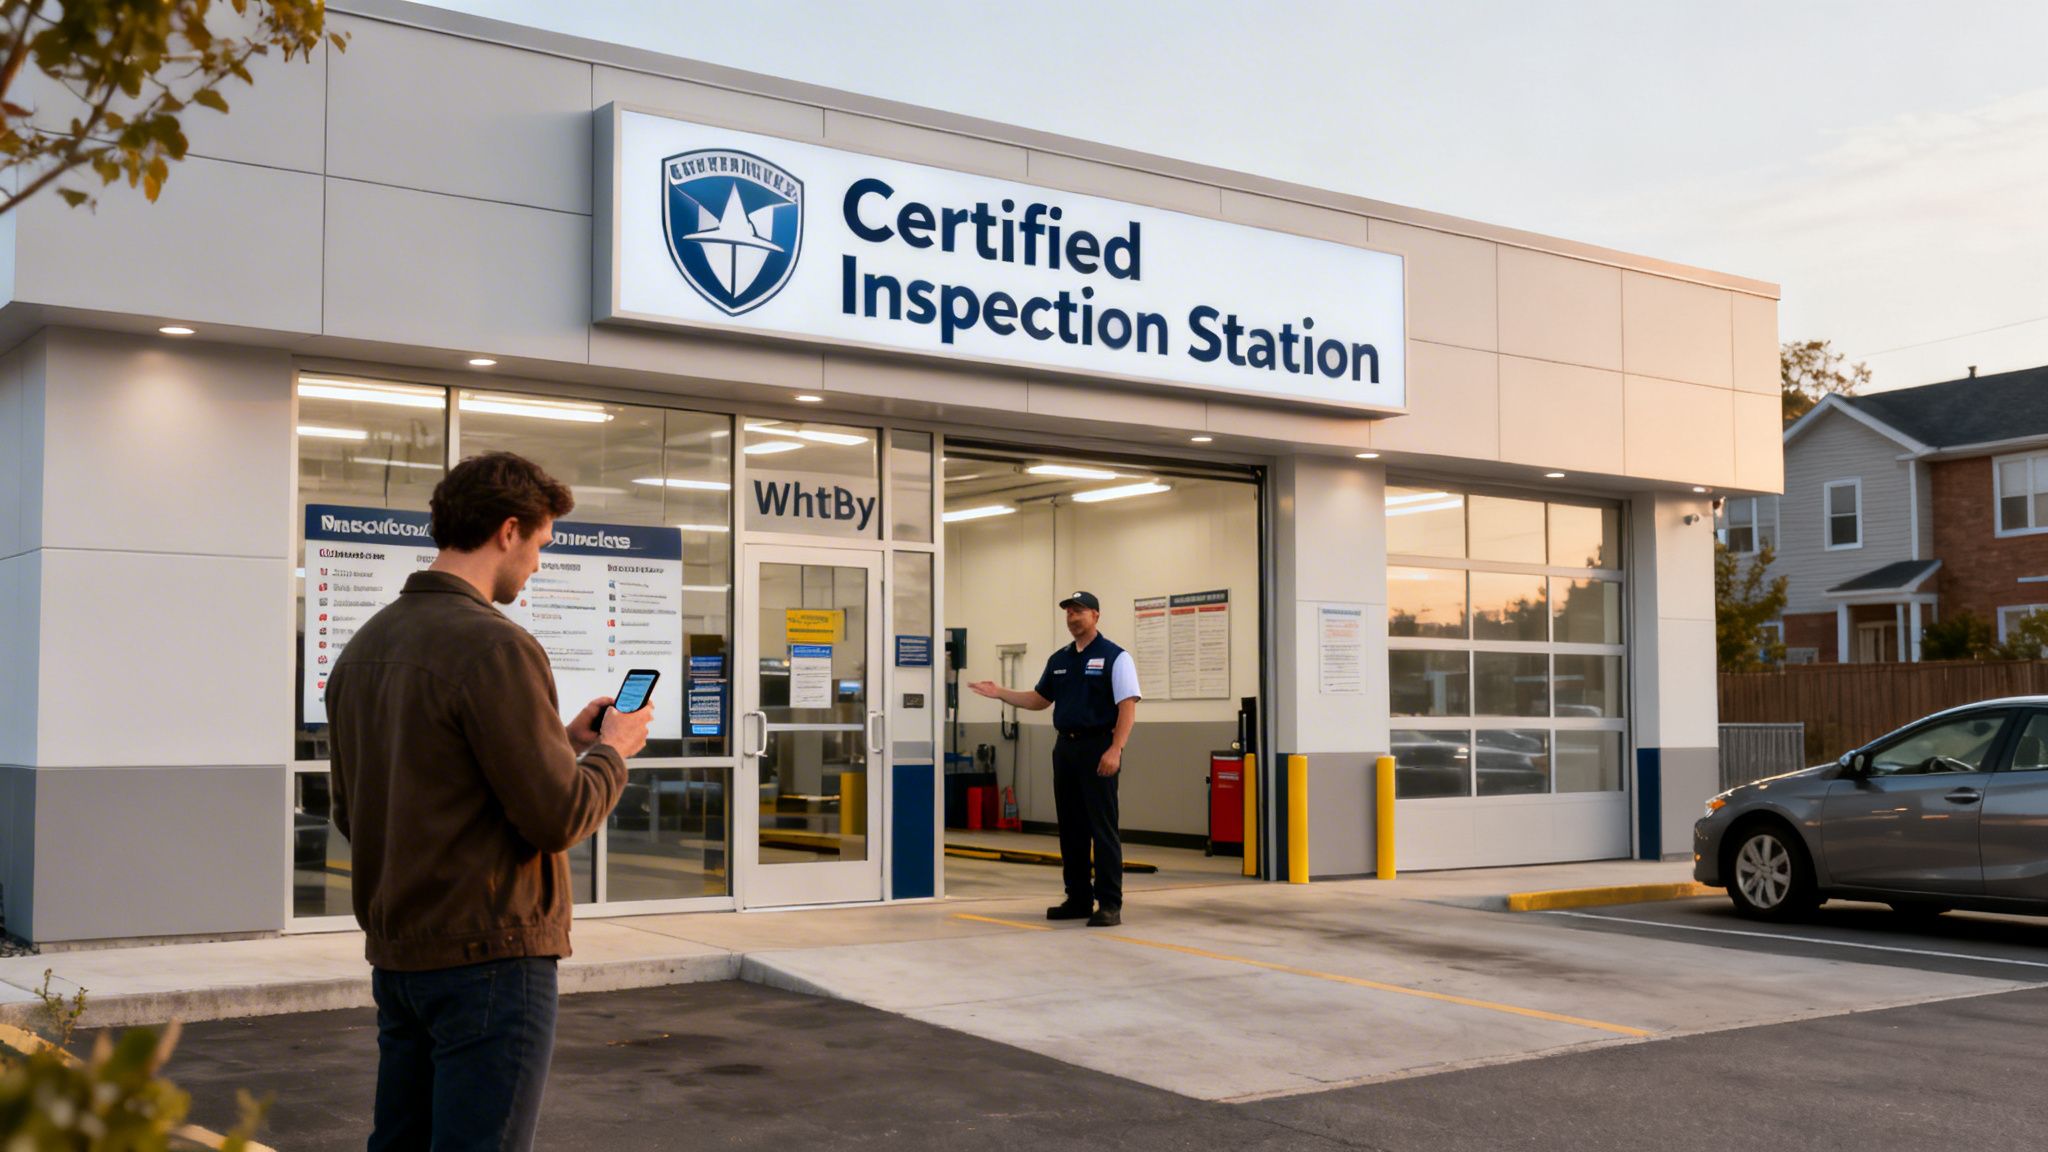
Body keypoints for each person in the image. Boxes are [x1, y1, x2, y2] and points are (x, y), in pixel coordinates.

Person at [327, 451, 653, 1152]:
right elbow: (559, 817)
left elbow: (355, 810)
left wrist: (558, 741)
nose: (537, 565)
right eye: (539, 545)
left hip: (401, 958)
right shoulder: (496, 647)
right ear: (509, 530)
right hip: (492, 961)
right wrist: (610, 750)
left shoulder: (364, 647)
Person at [969, 590, 1141, 927]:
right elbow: (1039, 700)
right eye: (1068, 613)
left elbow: (1128, 707)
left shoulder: (1115, 657)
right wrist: (1000, 692)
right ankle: (1077, 897)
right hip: (1066, 749)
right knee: (1072, 827)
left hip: (1098, 747)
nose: (1073, 618)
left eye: (1079, 611)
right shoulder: (1060, 660)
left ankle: (1109, 904)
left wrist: (1115, 749)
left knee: (1101, 827)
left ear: (1095, 616)